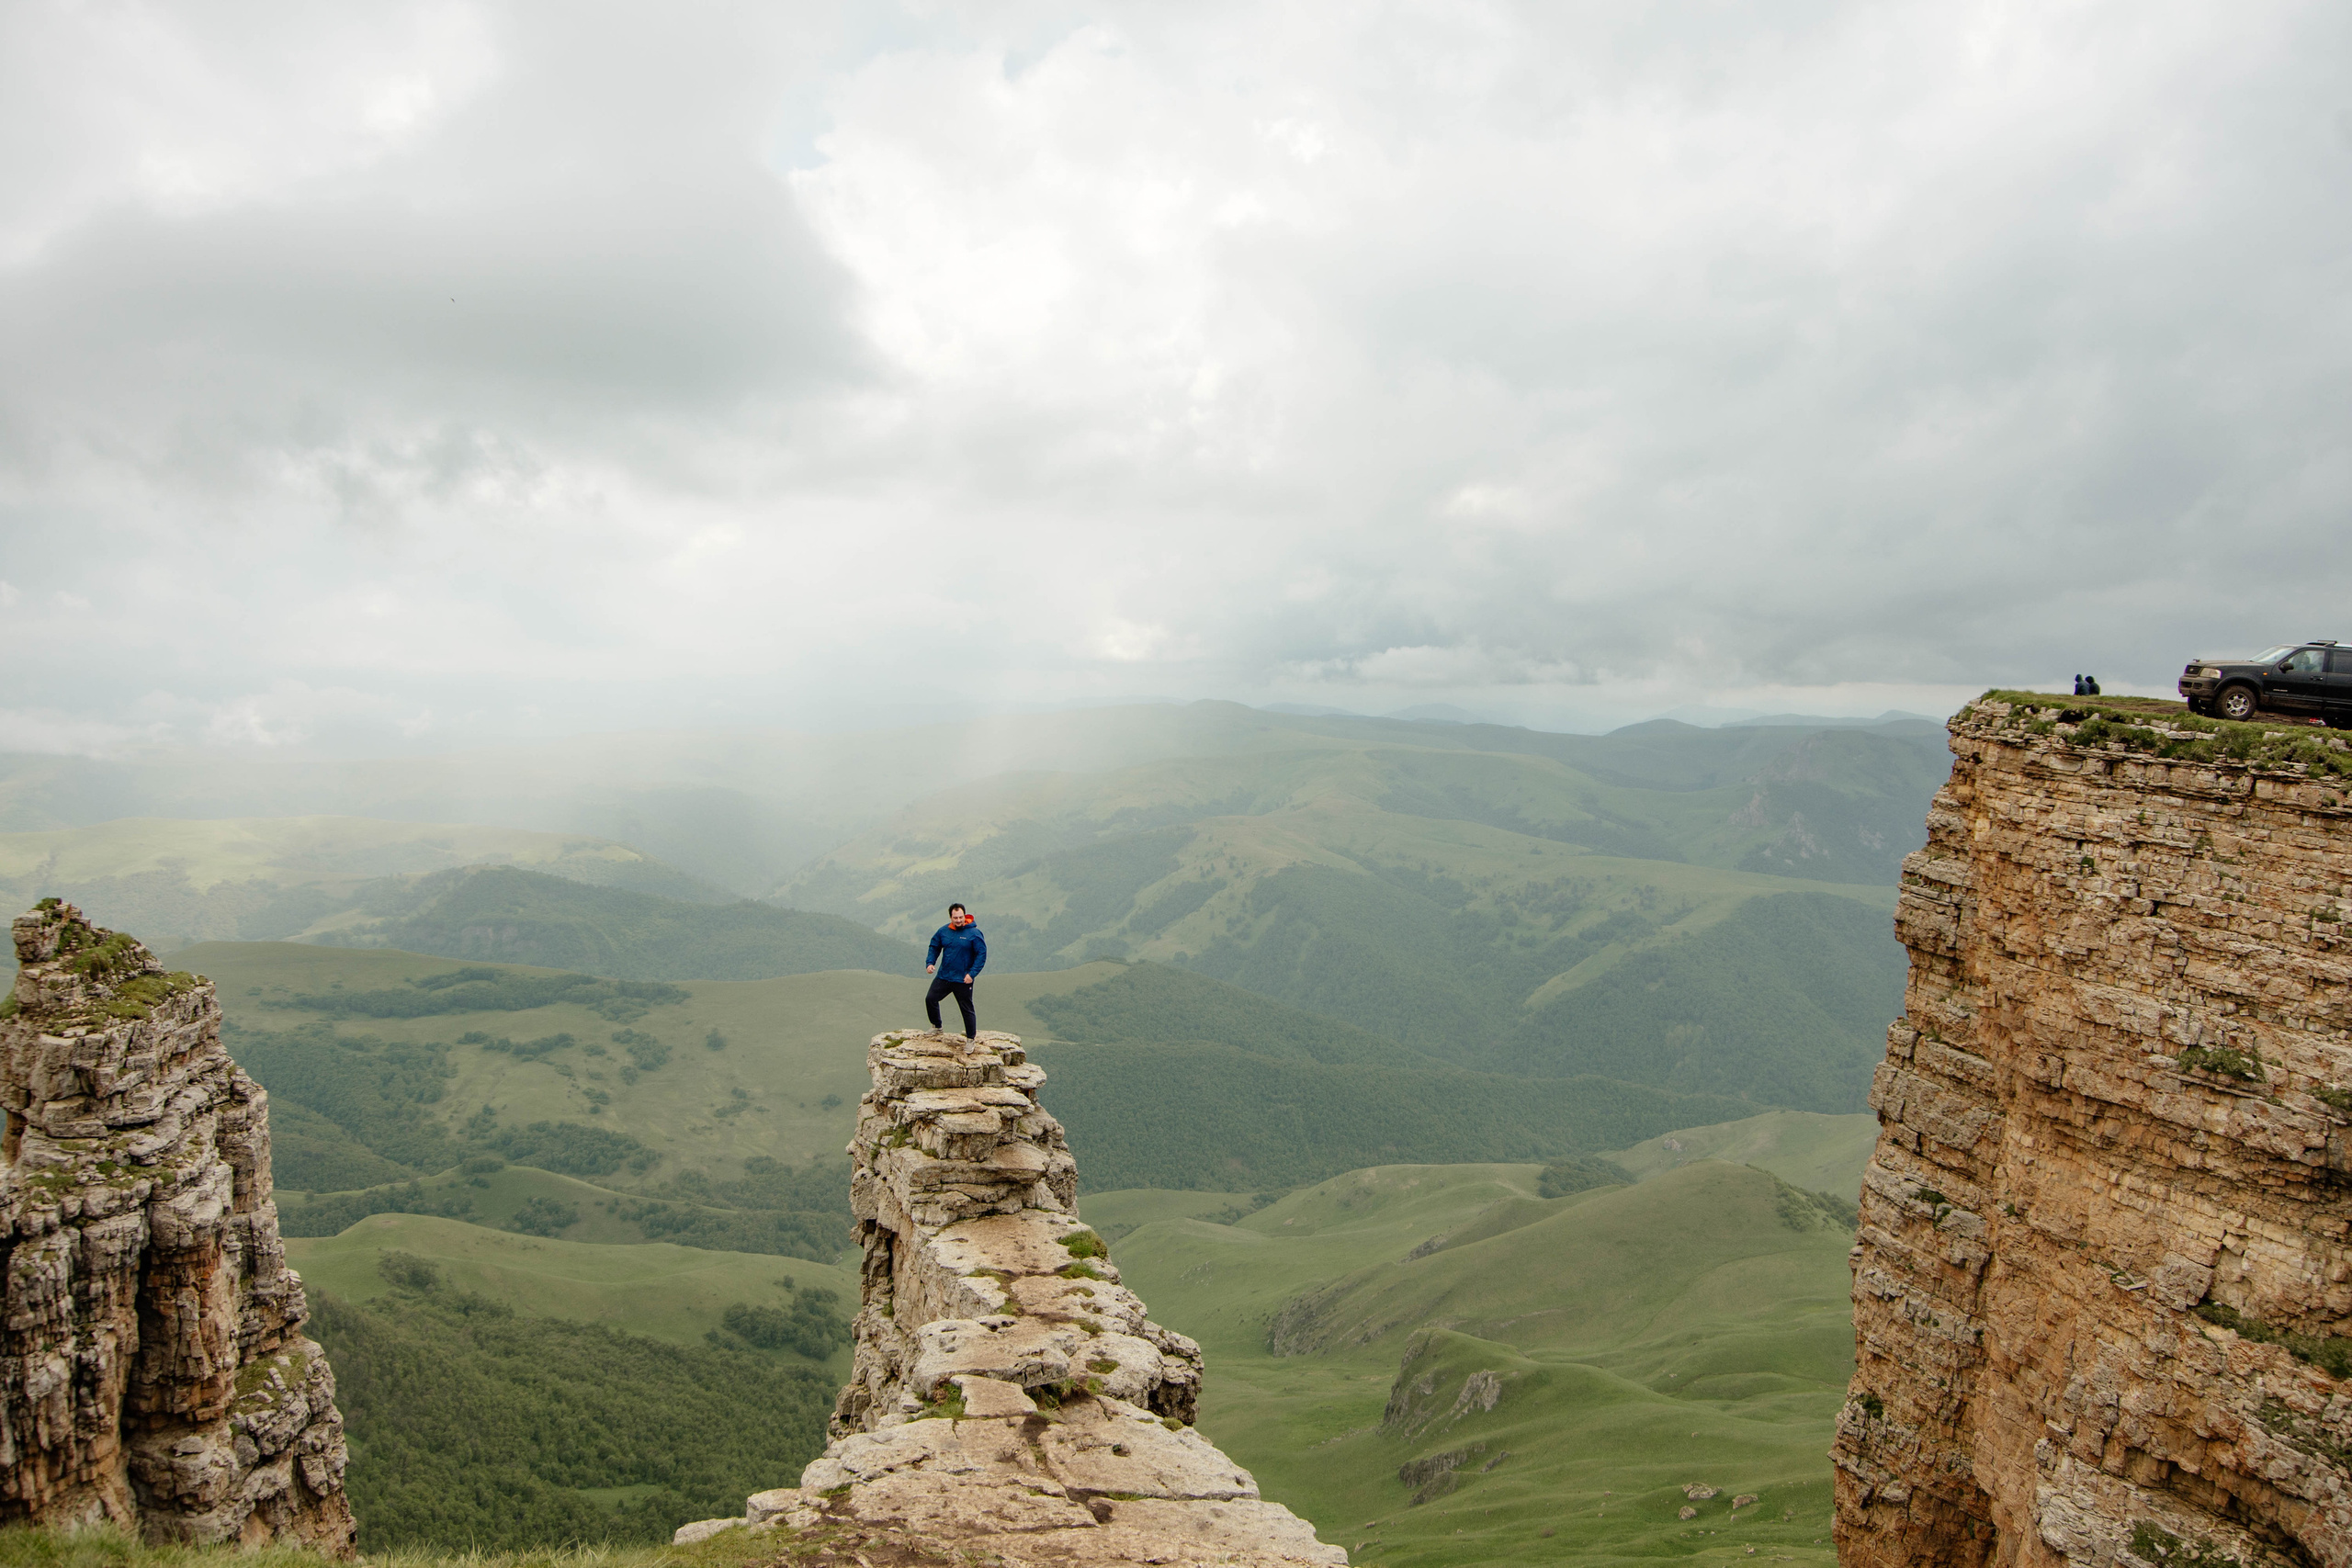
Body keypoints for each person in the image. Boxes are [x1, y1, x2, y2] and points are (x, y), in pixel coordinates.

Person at [924, 902, 987, 1038]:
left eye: (960, 917)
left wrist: (972, 974)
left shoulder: (974, 933)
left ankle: (970, 1039)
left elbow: (981, 955)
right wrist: (930, 963)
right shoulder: (943, 931)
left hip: (963, 979)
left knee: (967, 1010)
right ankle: (937, 1027)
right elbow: (934, 946)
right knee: (930, 999)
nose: (958, 920)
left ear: (965, 916)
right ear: (950, 918)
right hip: (944, 976)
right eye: (955, 918)